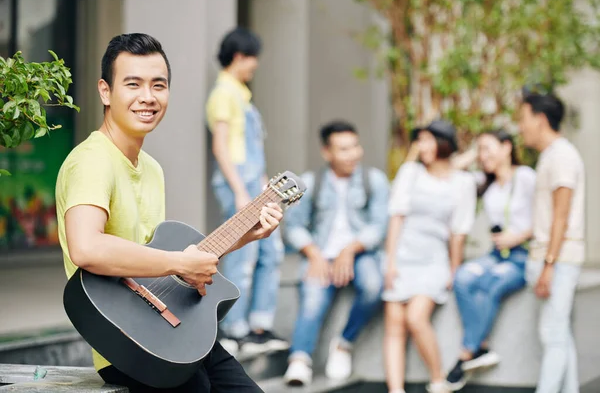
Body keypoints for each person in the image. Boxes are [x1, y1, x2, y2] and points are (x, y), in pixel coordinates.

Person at [55, 33, 283, 393]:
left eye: (158, 85)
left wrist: (245, 236)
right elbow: (86, 248)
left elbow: (150, 266)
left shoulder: (151, 168)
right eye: (133, 84)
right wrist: (177, 263)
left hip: (168, 330)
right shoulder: (92, 161)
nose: (148, 96)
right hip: (130, 345)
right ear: (105, 91)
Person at [282, 121, 389, 386]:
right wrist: (314, 253)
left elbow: (379, 226)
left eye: (355, 146)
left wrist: (350, 249)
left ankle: (343, 344)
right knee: (313, 299)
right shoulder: (309, 182)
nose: (352, 154)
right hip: (320, 253)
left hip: (360, 252)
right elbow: (293, 227)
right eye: (343, 149)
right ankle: (300, 360)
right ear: (326, 152)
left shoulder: (373, 180)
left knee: (374, 285)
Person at [205, 26, 287, 357]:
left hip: (254, 184)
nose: (255, 65)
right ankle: (235, 329)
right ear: (239, 57)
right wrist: (241, 191)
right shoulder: (223, 94)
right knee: (243, 256)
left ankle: (258, 326)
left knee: (271, 252)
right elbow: (221, 147)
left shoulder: (240, 94)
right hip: (240, 183)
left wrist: (266, 186)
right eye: (252, 58)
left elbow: (252, 148)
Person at [383, 120, 477, 393]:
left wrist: (454, 268)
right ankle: (395, 390)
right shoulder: (410, 172)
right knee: (395, 326)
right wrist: (390, 261)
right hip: (402, 255)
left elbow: (459, 231)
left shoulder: (463, 182)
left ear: (443, 142)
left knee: (415, 317)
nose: (420, 146)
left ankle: (438, 380)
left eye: (426, 140)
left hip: (433, 260)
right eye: (419, 140)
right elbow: (397, 218)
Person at [445, 130, 536, 390]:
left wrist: (518, 236)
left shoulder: (526, 177)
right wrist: (477, 152)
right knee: (462, 277)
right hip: (496, 255)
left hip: (521, 256)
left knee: (493, 283)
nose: (484, 156)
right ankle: (480, 347)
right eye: (480, 150)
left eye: (489, 149)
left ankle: (465, 355)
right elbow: (450, 171)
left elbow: (546, 216)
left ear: (507, 147)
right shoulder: (487, 183)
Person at [518, 92, 585, 393]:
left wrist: (549, 264)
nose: (521, 127)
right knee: (560, 336)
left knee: (552, 336)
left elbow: (562, 215)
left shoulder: (562, 156)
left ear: (540, 119)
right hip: (554, 258)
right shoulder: (552, 155)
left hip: (558, 259)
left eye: (523, 118)